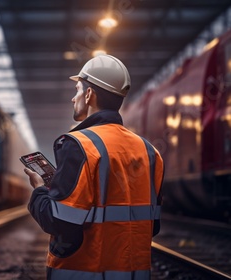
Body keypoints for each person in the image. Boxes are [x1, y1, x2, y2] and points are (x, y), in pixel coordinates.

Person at [24, 54, 164, 280]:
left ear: (89, 94)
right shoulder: (149, 152)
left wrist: (40, 190)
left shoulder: (79, 146)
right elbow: (151, 226)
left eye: (77, 90)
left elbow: (59, 221)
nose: (73, 98)